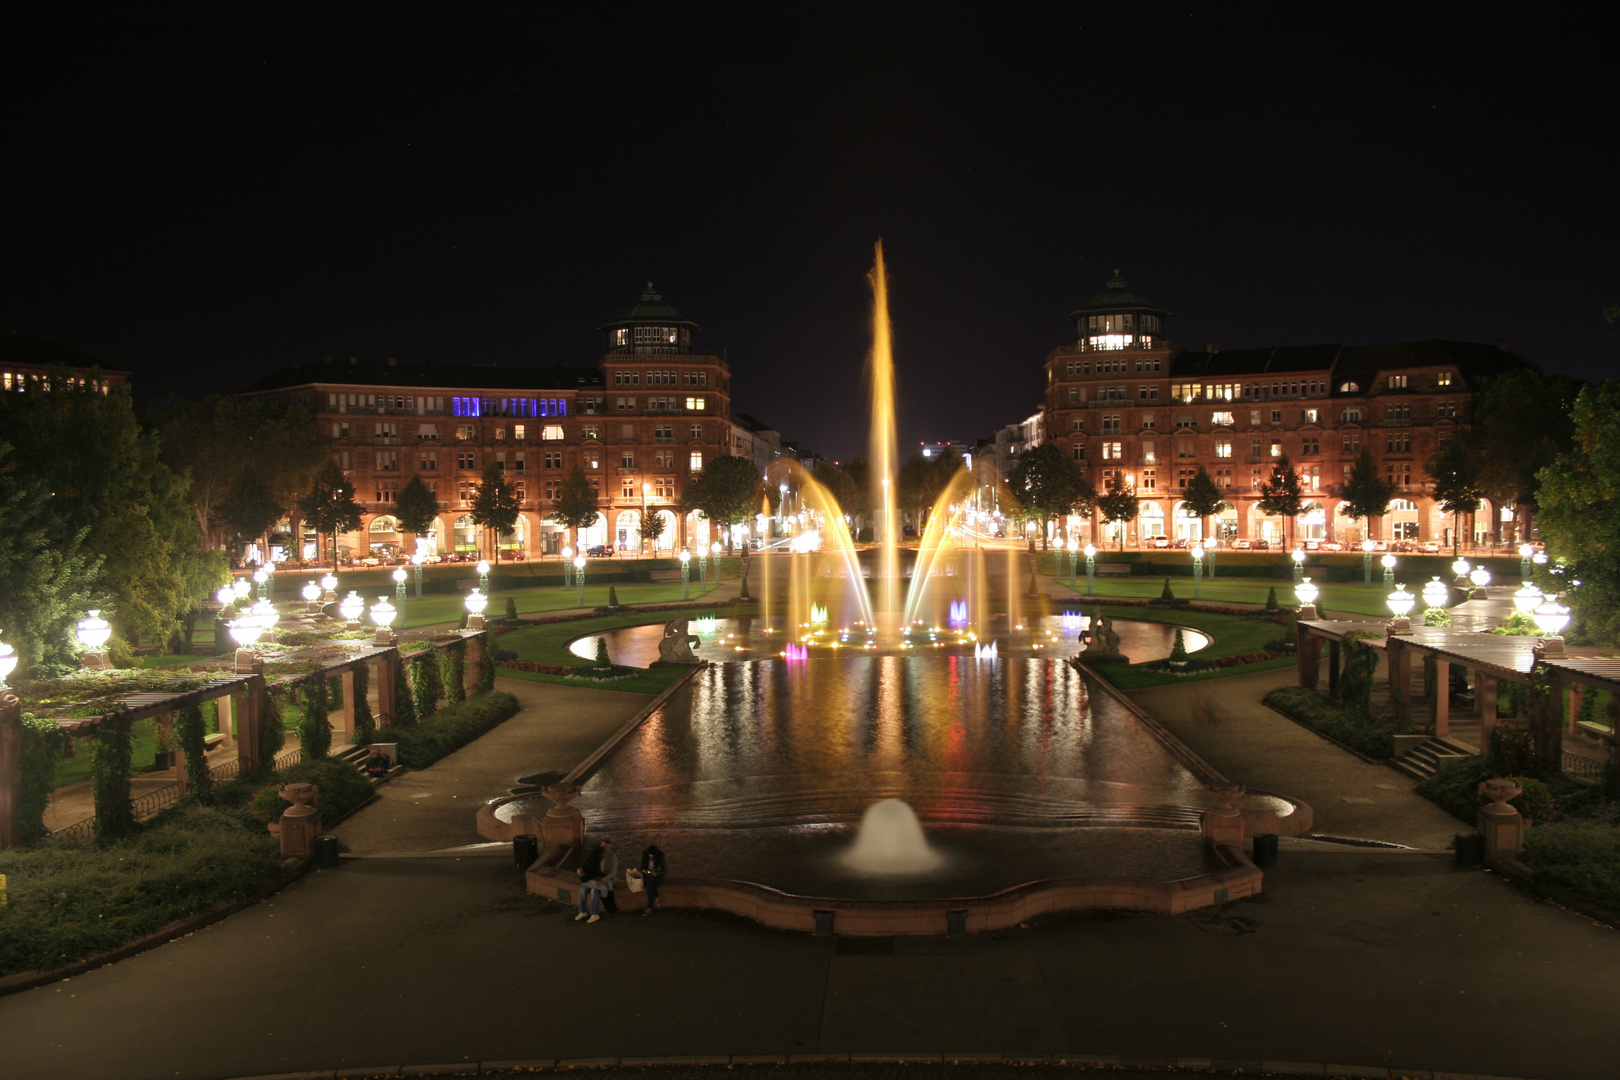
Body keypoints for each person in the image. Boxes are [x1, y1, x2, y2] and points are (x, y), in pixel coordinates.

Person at [574, 839, 616, 923]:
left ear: (610, 848)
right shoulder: (595, 855)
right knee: (582, 890)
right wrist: (579, 870)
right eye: (602, 847)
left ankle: (594, 913)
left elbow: (612, 872)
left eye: (606, 847)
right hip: (592, 879)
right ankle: (582, 911)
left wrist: (603, 880)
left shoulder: (612, 857)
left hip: (602, 880)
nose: (604, 849)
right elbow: (585, 865)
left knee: (595, 890)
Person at [637, 844, 666, 915]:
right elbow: (643, 870)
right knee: (650, 879)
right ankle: (657, 898)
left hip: (658, 878)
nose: (651, 857)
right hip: (648, 877)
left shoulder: (660, 857)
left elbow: (664, 870)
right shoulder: (645, 857)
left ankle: (650, 907)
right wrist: (650, 872)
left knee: (650, 886)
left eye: (653, 856)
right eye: (650, 855)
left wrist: (658, 873)